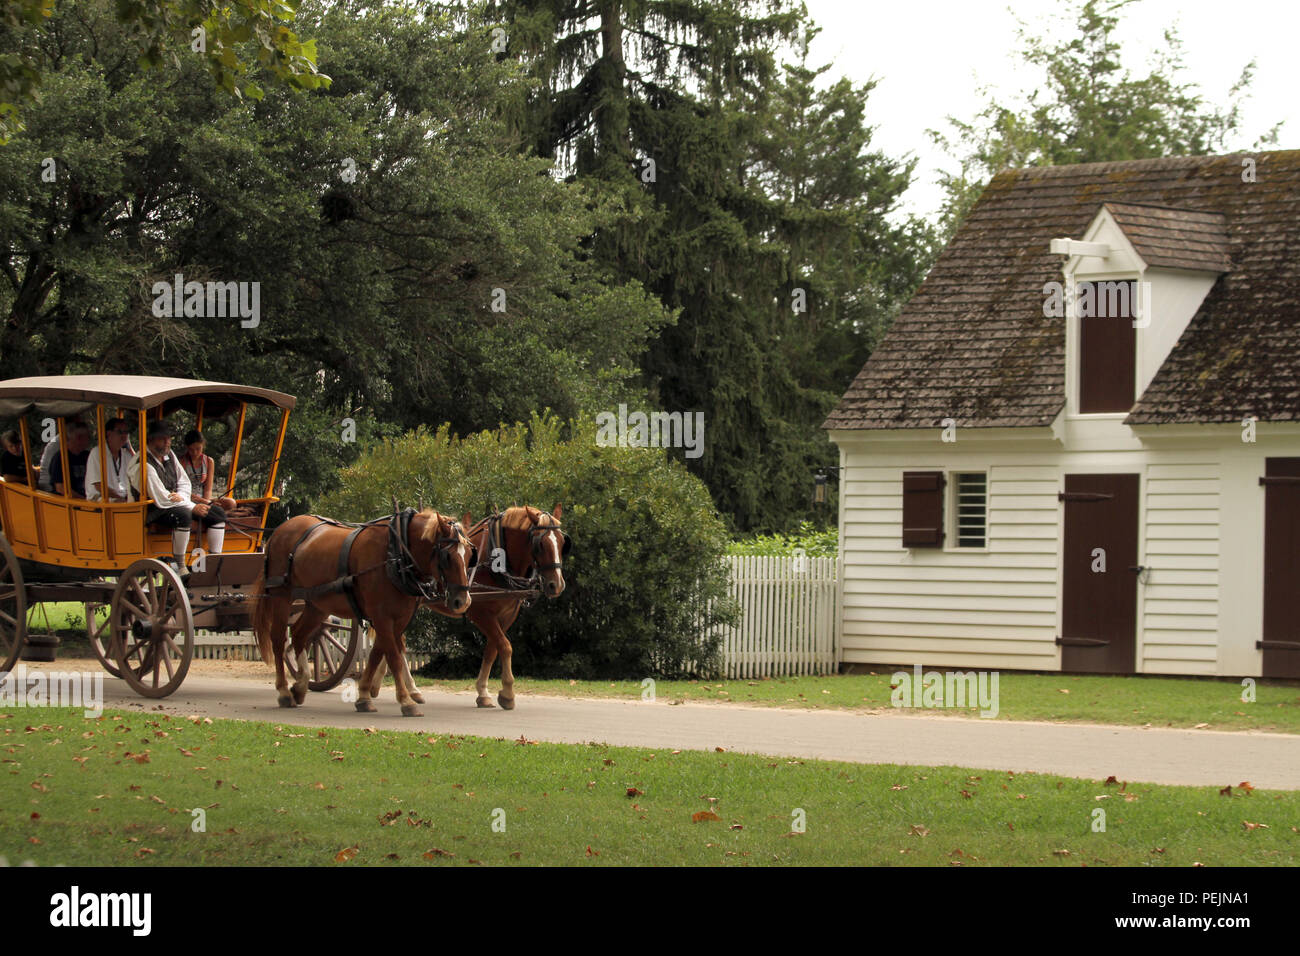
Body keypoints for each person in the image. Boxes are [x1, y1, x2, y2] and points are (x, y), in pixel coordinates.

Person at [130, 420, 226, 566]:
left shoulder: (170, 455)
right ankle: (180, 565)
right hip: (153, 510)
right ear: (151, 439)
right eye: (163, 439)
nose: (167, 442)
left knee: (218, 513)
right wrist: (192, 507)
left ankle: (214, 562)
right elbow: (161, 497)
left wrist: (181, 496)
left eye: (169, 438)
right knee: (183, 515)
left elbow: (184, 482)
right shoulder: (143, 464)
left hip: (176, 502)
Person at [178, 429, 236, 512]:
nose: (195, 452)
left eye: (198, 449)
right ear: (187, 448)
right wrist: (205, 502)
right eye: (191, 449)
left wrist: (207, 503)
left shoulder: (209, 461)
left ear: (203, 445)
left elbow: (208, 489)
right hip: (187, 498)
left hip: (204, 499)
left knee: (231, 503)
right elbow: (181, 490)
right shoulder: (181, 462)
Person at [85, 418, 134, 502]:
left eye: (126, 432)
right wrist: (121, 498)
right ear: (109, 434)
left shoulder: (127, 455)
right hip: (100, 499)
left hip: (122, 498)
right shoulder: (97, 453)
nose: (124, 436)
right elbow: (99, 486)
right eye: (120, 432)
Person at [49, 422, 91, 498]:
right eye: (86, 437)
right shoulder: (60, 458)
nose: (88, 440)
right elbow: (61, 488)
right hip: (68, 503)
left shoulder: (87, 456)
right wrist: (83, 499)